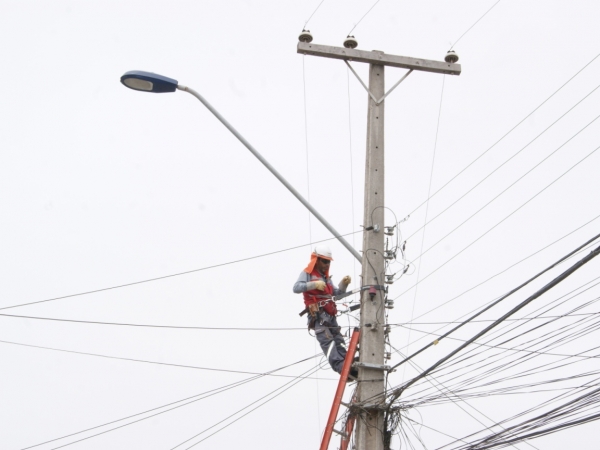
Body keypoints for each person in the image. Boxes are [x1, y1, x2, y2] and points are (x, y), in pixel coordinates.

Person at [293, 245, 354, 376]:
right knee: (328, 341)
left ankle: (348, 366)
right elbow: (296, 288)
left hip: (330, 316)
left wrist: (344, 284)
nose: (327, 264)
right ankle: (340, 367)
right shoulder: (307, 274)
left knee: (339, 340)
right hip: (318, 316)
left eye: (328, 262)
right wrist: (313, 284)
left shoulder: (326, 278)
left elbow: (337, 294)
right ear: (317, 260)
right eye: (324, 261)